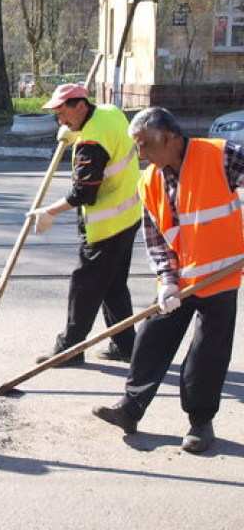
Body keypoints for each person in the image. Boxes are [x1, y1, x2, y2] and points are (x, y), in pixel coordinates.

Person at [93, 107, 244, 454]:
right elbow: (156, 238)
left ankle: (200, 423)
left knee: (207, 354)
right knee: (150, 337)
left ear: (172, 138)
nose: (140, 154)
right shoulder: (149, 180)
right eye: (137, 146)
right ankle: (131, 408)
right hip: (180, 278)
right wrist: (166, 281)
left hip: (220, 276)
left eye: (145, 145)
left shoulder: (220, 156)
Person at [28, 84, 141, 365]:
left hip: (106, 225)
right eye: (56, 115)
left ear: (80, 105)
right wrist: (74, 131)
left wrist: (49, 212)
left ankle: (70, 349)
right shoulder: (110, 112)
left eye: (63, 113)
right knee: (113, 285)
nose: (60, 121)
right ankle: (126, 344)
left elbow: (83, 193)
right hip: (129, 215)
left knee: (85, 285)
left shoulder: (91, 141)